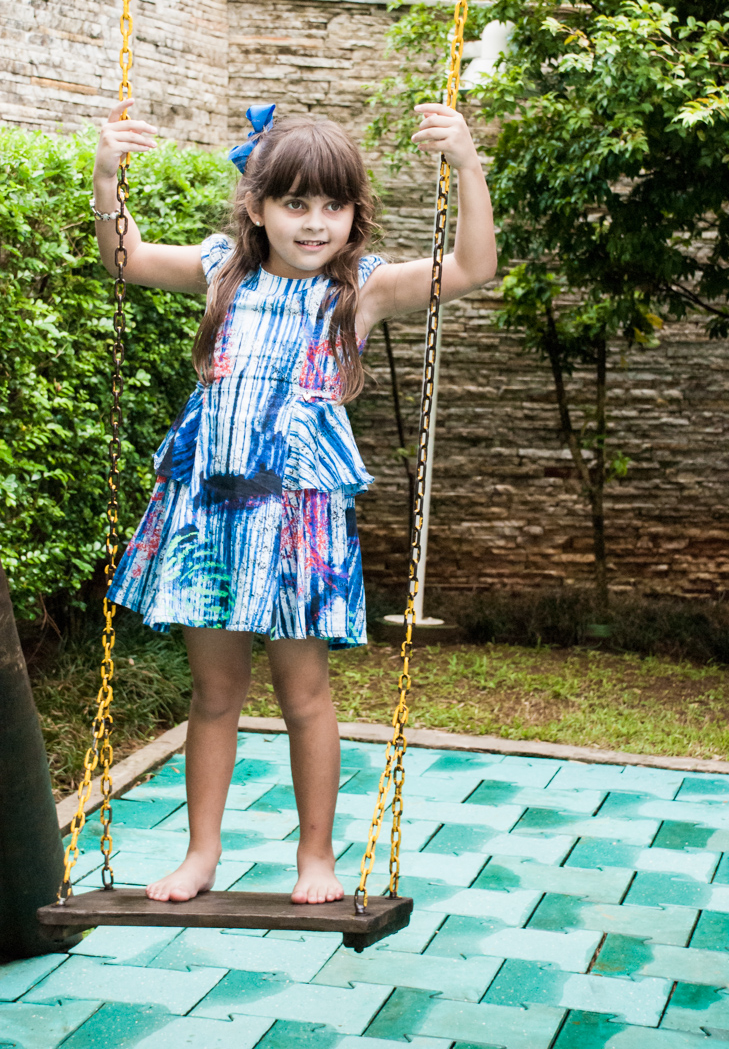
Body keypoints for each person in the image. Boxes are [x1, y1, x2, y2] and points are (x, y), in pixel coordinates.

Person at [92, 97, 496, 905]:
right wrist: (109, 175)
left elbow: (473, 269)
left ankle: (316, 859)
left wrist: (466, 161)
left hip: (300, 524)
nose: (315, 224)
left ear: (354, 214)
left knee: (304, 696)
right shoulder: (218, 269)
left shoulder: (364, 288)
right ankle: (199, 855)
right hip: (207, 511)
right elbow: (124, 259)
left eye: (333, 206)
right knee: (213, 696)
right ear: (258, 207)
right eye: (295, 204)